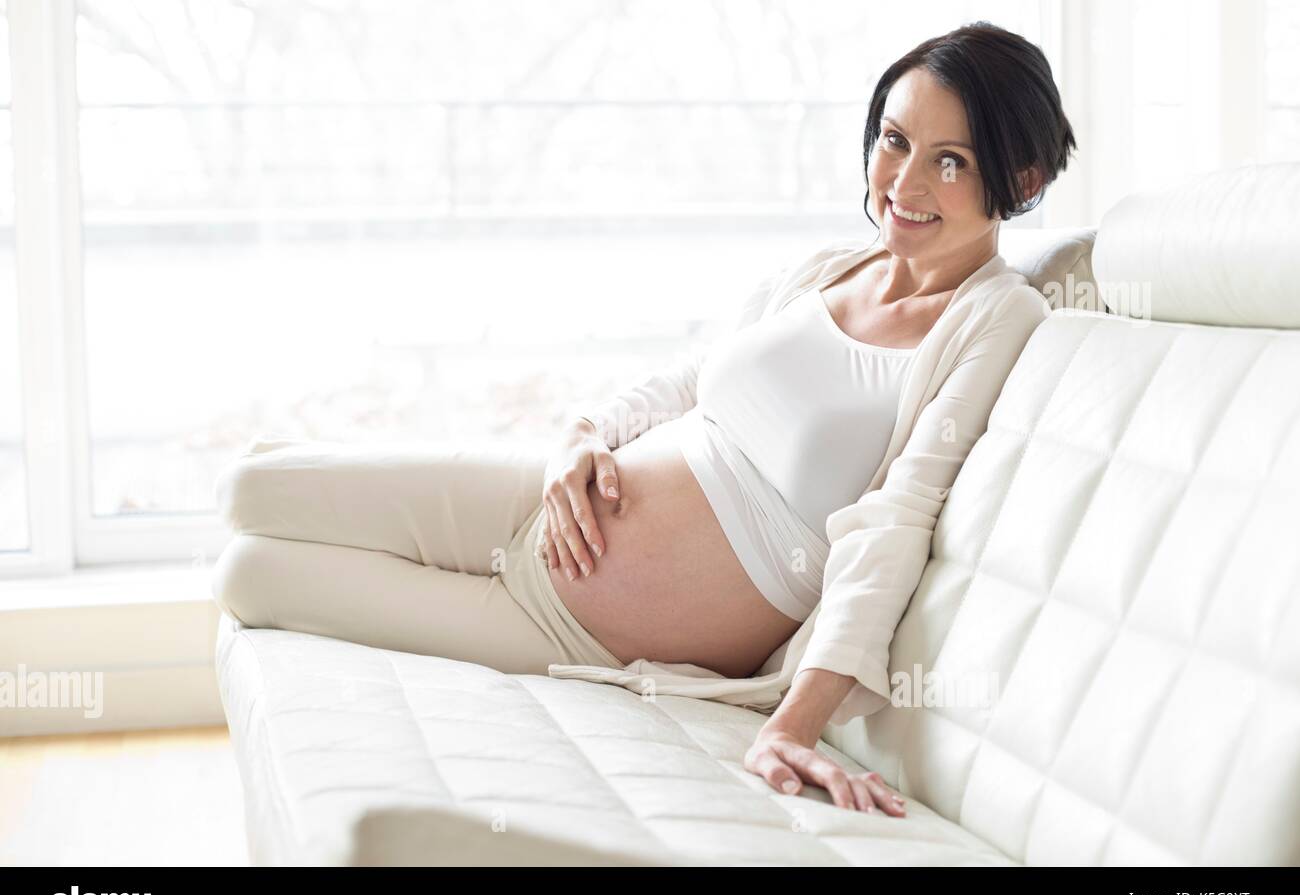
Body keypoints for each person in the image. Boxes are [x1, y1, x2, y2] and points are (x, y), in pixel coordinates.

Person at [212, 21, 1075, 816]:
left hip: (567, 627)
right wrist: (584, 432)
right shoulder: (831, 266)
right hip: (539, 502)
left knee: (253, 579)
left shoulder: (996, 317)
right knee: (251, 489)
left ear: (1021, 179)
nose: (905, 182)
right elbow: (696, 375)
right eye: (894, 141)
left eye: (950, 161)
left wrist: (795, 724)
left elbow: (898, 523)